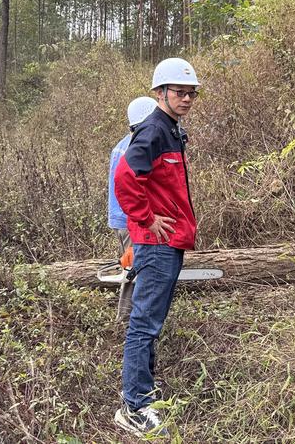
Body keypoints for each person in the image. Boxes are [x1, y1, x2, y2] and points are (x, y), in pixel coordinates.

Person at [113, 57, 201, 438]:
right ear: (161, 93)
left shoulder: (170, 129)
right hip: (155, 243)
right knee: (144, 324)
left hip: (168, 241)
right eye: (180, 92)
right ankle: (134, 407)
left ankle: (143, 392)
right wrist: (147, 219)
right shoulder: (153, 130)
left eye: (191, 93)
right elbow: (125, 178)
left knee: (151, 322)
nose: (186, 98)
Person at [108, 96, 159, 321]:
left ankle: (134, 317)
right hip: (132, 219)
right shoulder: (137, 148)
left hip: (121, 218)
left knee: (132, 266)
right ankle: (128, 319)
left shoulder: (122, 145)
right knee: (136, 271)